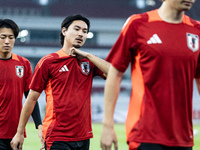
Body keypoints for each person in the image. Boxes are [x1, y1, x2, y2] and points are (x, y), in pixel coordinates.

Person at [100, 0, 200, 150]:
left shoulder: (197, 30)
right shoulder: (138, 23)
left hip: (183, 137)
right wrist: (108, 125)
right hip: (144, 133)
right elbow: (115, 74)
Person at [11, 14, 110, 150]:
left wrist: (88, 55)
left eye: (85, 31)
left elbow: (114, 72)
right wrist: (19, 132)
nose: (81, 34)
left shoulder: (89, 62)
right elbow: (31, 99)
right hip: (57, 135)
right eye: (76, 29)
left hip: (84, 136)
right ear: (64, 31)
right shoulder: (48, 62)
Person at [0, 19, 42, 150]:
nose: (7, 41)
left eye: (11, 37)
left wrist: (39, 125)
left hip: (15, 134)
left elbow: (31, 97)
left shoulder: (23, 64)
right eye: (3, 37)